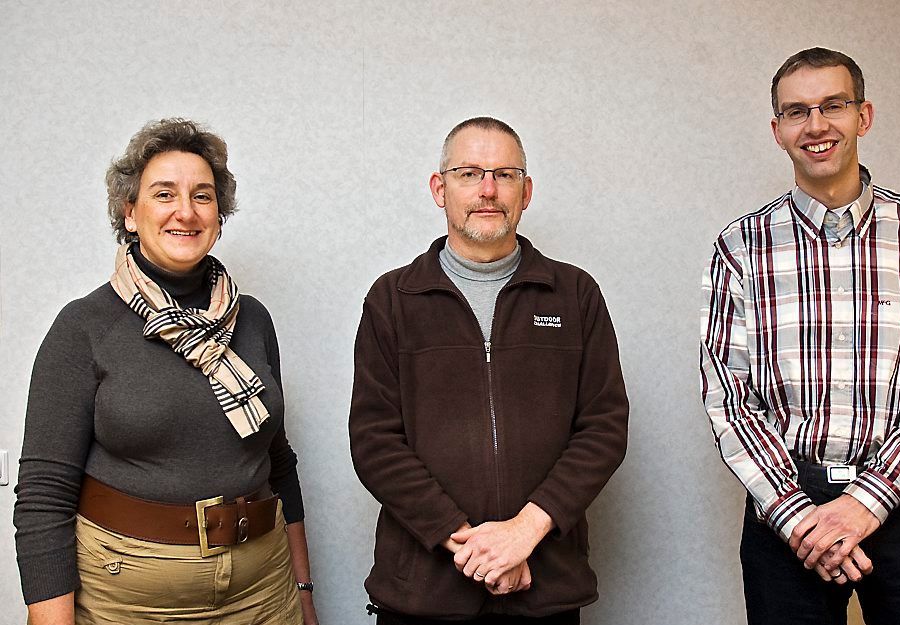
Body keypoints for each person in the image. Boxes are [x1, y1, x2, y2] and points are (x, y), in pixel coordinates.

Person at [700, 47, 900, 624]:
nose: (816, 125)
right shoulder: (740, 246)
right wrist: (797, 515)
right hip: (785, 508)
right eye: (797, 111)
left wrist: (866, 503)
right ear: (777, 129)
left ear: (865, 116)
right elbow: (725, 393)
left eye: (833, 105)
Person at [13, 118, 319, 625]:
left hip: (262, 590)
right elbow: (44, 495)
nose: (186, 211)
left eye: (203, 195)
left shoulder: (253, 319)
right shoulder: (84, 326)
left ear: (219, 216)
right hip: (130, 599)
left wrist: (303, 592)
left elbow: (278, 462)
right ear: (130, 213)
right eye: (164, 194)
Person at [349, 116, 629, 624]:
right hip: (423, 590)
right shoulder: (393, 299)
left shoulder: (575, 295)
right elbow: (374, 441)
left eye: (505, 174)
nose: (488, 190)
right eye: (469, 173)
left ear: (527, 191)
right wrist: (476, 549)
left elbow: (603, 429)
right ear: (440, 189)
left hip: (545, 586)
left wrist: (523, 534)